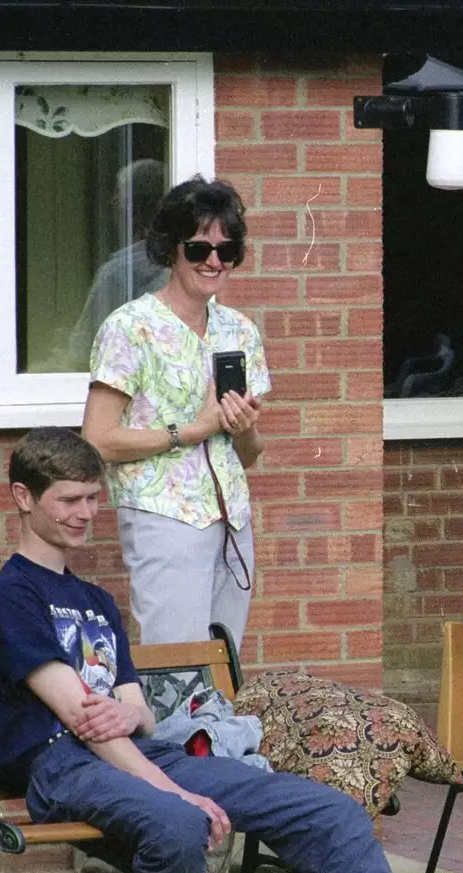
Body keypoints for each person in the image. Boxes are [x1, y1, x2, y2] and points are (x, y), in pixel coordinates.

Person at [0, 428, 463, 873]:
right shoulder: (9, 599)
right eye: (69, 500)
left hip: (135, 754)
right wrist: (172, 784)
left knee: (325, 807)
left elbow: (138, 711)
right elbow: (84, 722)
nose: (86, 514)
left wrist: (133, 718)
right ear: (24, 497)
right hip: (60, 769)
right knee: (177, 819)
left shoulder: (95, 601)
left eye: (93, 499)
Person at [81, 175, 267, 647]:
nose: (213, 261)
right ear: (170, 248)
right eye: (199, 248)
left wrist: (241, 428)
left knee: (226, 665)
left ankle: (217, 727)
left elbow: (247, 453)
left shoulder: (240, 332)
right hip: (163, 518)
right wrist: (190, 430)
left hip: (232, 521)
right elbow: (97, 440)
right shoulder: (131, 327)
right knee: (176, 666)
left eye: (226, 251)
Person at [68, 158, 170, 368]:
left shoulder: (116, 273)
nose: (112, 205)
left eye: (118, 199)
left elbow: (81, 354)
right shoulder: (178, 266)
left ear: (134, 208)